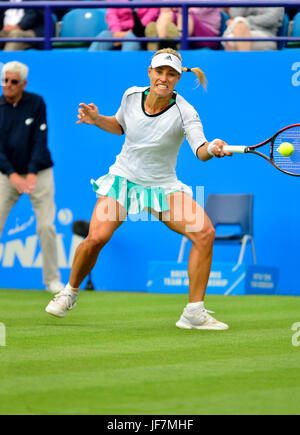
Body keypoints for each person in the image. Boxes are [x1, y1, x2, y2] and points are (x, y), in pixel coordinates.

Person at [46, 48, 232, 330]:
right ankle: (69, 292)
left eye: (171, 74)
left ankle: (194, 312)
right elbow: (119, 126)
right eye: (159, 72)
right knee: (96, 237)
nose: (164, 78)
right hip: (124, 180)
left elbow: (200, 149)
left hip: (162, 187)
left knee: (204, 233)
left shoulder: (186, 112)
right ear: (150, 72)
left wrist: (214, 148)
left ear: (178, 78)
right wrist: (97, 119)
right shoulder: (132, 95)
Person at [0, 61, 64, 294]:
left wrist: (32, 172)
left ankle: (52, 280)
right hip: (7, 175)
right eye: (5, 80)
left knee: (46, 226)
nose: (7, 85)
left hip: (39, 173)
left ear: (23, 84)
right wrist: (13, 175)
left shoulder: (36, 103)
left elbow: (40, 140)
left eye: (13, 81)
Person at [89, 0, 159, 52]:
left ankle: (124, 68)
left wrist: (129, 33)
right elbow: (111, 14)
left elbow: (151, 16)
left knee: (131, 37)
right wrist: (116, 32)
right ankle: (87, 65)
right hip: (118, 33)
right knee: (104, 35)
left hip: (139, 32)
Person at [145, 4, 221, 51]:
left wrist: (176, 6)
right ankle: (158, 43)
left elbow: (192, 9)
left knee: (184, 13)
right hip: (184, 27)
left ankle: (179, 44)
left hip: (207, 36)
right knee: (166, 12)